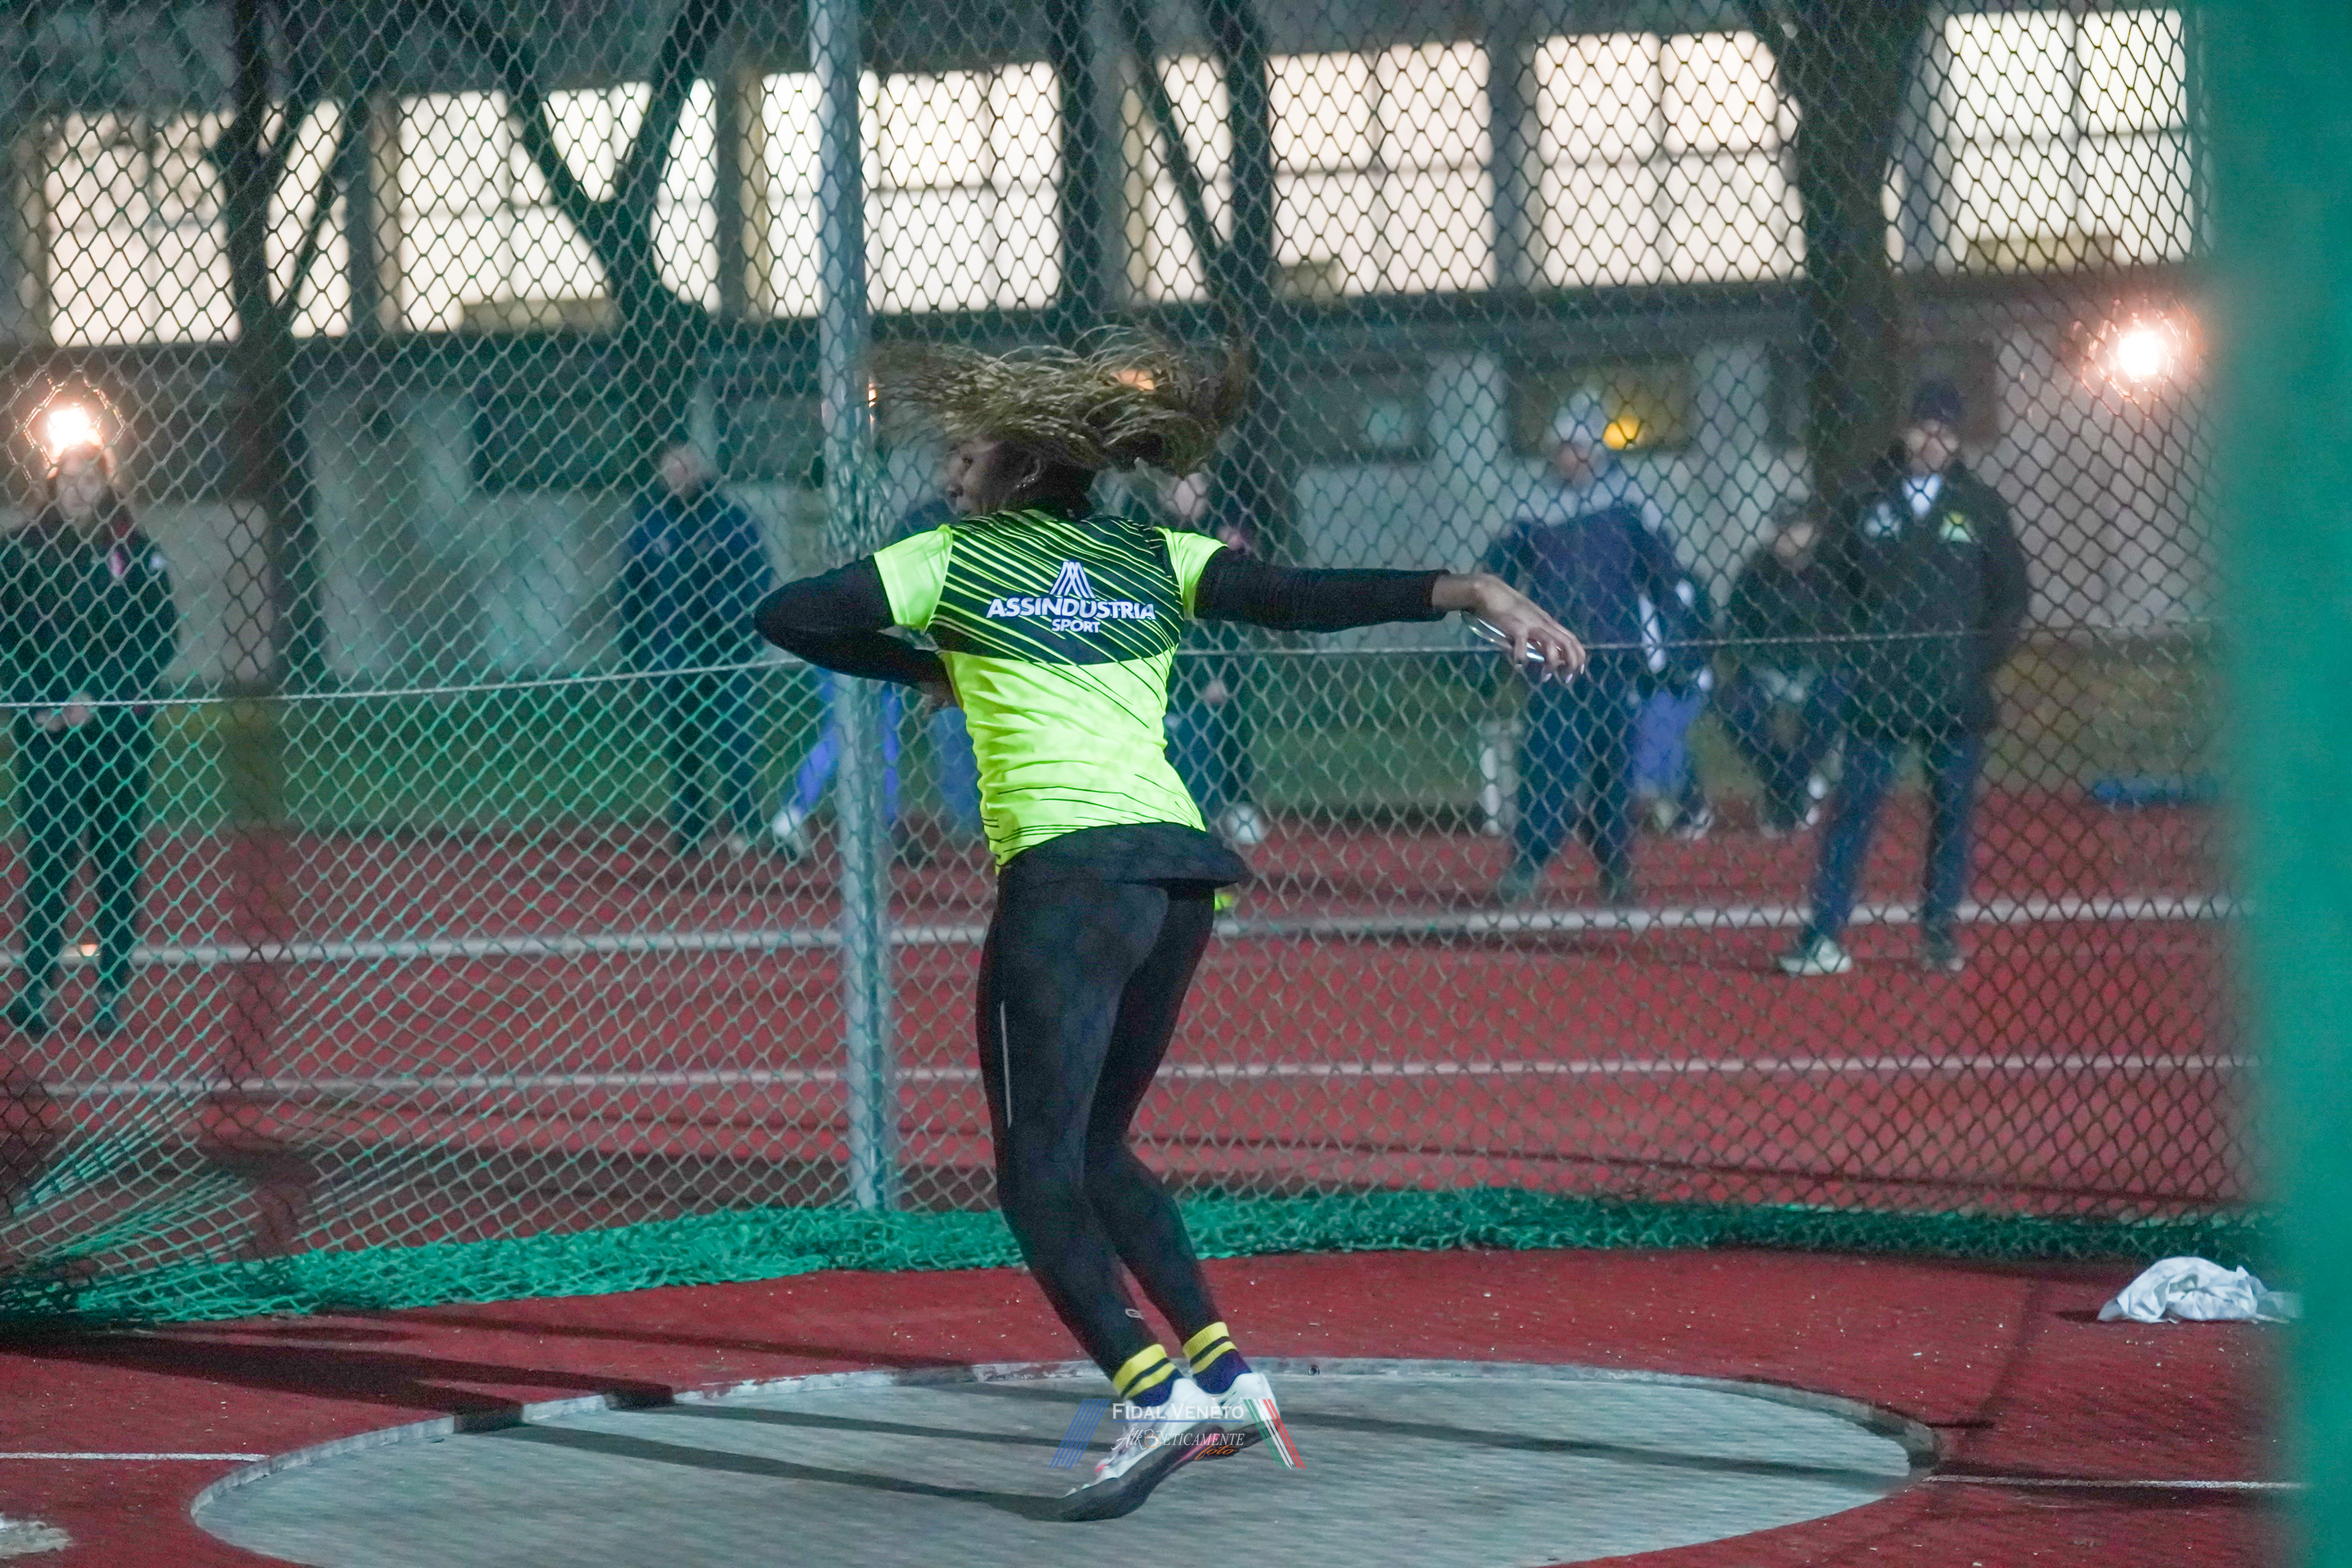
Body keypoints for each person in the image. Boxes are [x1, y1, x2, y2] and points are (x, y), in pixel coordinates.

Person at [754, 335, 1584, 1519]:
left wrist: (920, 665)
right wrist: (1474, 590)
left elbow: (789, 613)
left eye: (968, 455)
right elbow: (1299, 601)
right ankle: (1228, 1380)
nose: (951, 473)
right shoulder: (1151, 555)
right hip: (1176, 881)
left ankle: (1152, 1394)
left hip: (1069, 881)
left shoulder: (953, 560)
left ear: (1020, 467)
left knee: (1034, 1172)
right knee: (1098, 1149)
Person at [1779, 380, 2031, 976]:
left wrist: (1976, 660)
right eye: (1923, 427)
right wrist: (1855, 654)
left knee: (1952, 814)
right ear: (1905, 430)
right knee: (1855, 810)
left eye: (1944, 431)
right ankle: (1824, 933)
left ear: (1958, 438)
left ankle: (1938, 931)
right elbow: (1829, 581)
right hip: (1879, 692)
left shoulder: (1981, 506)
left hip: (1954, 693)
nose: (1932, 440)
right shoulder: (1866, 498)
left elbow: (2010, 594)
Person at [1483, 392, 1701, 906]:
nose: (1571, 457)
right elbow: (1496, 579)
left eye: (1580, 446)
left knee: (1613, 767)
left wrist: (1673, 644)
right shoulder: (1532, 508)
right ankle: (1529, 861)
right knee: (1548, 759)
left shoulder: (1629, 504)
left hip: (1613, 656)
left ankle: (1615, 866)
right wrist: (1488, 653)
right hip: (1552, 660)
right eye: (1564, 447)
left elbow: (1666, 575)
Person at [0, 440, 179, 1039]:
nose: (78, 491)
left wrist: (97, 696)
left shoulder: (133, 548)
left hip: (118, 733)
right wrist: (39, 700)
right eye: (69, 479)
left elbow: (159, 637)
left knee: (115, 855)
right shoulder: (21, 551)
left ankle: (109, 992)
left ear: (106, 484)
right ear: (53, 482)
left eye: (90, 480)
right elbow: (6, 640)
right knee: (48, 856)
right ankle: (37, 988)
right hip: (47, 733)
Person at [771, 493, 985, 860]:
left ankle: (884, 825)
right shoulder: (851, 534)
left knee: (878, 734)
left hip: (854, 638)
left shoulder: (873, 533)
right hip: (845, 639)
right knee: (847, 733)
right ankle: (799, 812)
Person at [619, 443, 777, 857]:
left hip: (727, 650)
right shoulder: (651, 522)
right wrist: (633, 653)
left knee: (735, 737)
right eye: (671, 470)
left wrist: (742, 623)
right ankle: (692, 828)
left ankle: (744, 824)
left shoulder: (729, 519)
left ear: (700, 471)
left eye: (686, 469)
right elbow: (633, 592)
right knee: (683, 744)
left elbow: (758, 577)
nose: (679, 477)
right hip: (674, 650)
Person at [1717, 502, 1849, 835]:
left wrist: (1823, 658)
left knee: (1833, 700)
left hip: (1819, 668)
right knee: (1735, 705)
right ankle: (1790, 784)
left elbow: (1846, 627)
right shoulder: (1756, 570)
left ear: (1813, 532)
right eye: (1781, 528)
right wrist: (1752, 661)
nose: (1787, 536)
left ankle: (1787, 790)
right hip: (1767, 670)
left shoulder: (1833, 569)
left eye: (1795, 527)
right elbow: (1735, 625)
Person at [1158, 472, 1267, 846]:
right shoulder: (1154, 531)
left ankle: (1237, 802)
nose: (1195, 493)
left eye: (1200, 486)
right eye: (1184, 485)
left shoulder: (1218, 525)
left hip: (1220, 637)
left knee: (1231, 721)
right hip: (1177, 642)